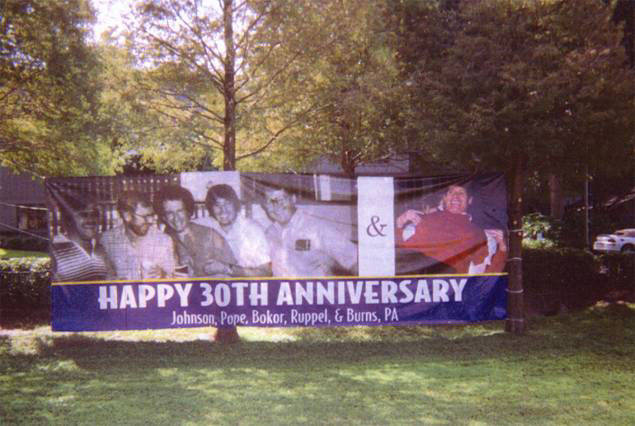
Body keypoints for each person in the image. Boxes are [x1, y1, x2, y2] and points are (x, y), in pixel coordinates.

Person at [396, 184, 507, 274]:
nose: (456, 196)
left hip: (450, 292)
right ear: (444, 198)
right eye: (451, 192)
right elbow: (400, 255)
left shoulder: (477, 233)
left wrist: (502, 249)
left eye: (461, 193)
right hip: (417, 286)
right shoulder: (424, 220)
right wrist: (399, 226)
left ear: (470, 200)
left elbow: (485, 277)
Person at [262, 186, 357, 277]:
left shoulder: (317, 228)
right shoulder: (269, 234)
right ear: (265, 206)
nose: (276, 206)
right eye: (270, 201)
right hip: (284, 293)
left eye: (281, 199)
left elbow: (355, 261)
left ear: (293, 199)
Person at [154, 185, 236, 278]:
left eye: (180, 211)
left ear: (188, 211)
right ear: (164, 216)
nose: (176, 218)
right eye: (170, 213)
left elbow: (233, 275)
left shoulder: (210, 236)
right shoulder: (163, 239)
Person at [98, 191, 176, 280]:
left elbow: (174, 277)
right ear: (127, 216)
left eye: (151, 215)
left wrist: (163, 275)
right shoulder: (107, 240)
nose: (150, 221)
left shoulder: (163, 241)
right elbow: (101, 277)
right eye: (145, 216)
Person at [205, 184, 271, 277]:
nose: (223, 210)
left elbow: (266, 272)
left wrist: (226, 268)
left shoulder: (253, 230)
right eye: (217, 205)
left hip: (245, 289)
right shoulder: (206, 225)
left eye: (227, 204)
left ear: (235, 205)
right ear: (211, 208)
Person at [51, 197, 110, 282]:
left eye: (95, 214)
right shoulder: (55, 250)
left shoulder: (101, 250)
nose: (91, 220)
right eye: (84, 215)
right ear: (69, 218)